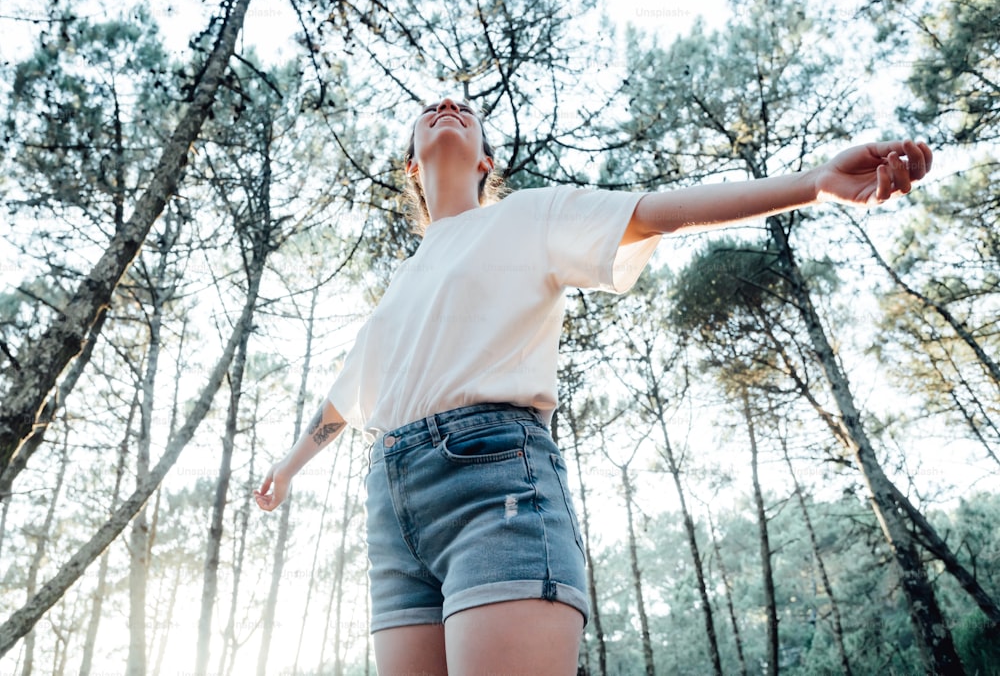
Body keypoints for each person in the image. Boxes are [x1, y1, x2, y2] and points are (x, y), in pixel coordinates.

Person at [255, 97, 933, 675]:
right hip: (391, 505)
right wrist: (290, 466)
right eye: (431, 109)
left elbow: (664, 211)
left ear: (485, 161)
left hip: (491, 485)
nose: (448, 106)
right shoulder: (401, 284)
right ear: (412, 165)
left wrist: (814, 183)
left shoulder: (529, 217)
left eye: (467, 111)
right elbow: (349, 394)